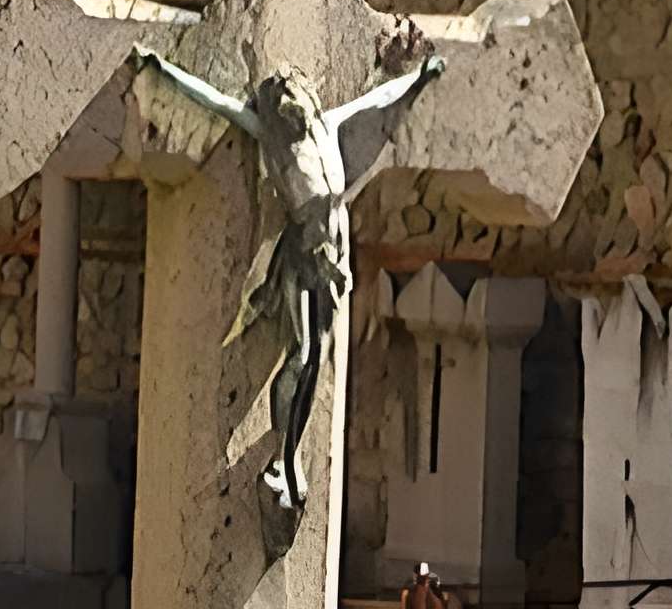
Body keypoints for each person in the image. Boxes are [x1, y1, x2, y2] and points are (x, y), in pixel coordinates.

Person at [132, 45, 443, 513]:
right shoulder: (273, 140)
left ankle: (290, 453)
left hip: (335, 255)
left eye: (295, 92)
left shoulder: (328, 125)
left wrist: (420, 77)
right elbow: (216, 101)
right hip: (301, 258)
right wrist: (163, 68)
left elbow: (380, 99)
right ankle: (283, 456)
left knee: (318, 359)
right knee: (300, 355)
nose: (292, 102)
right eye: (283, 97)